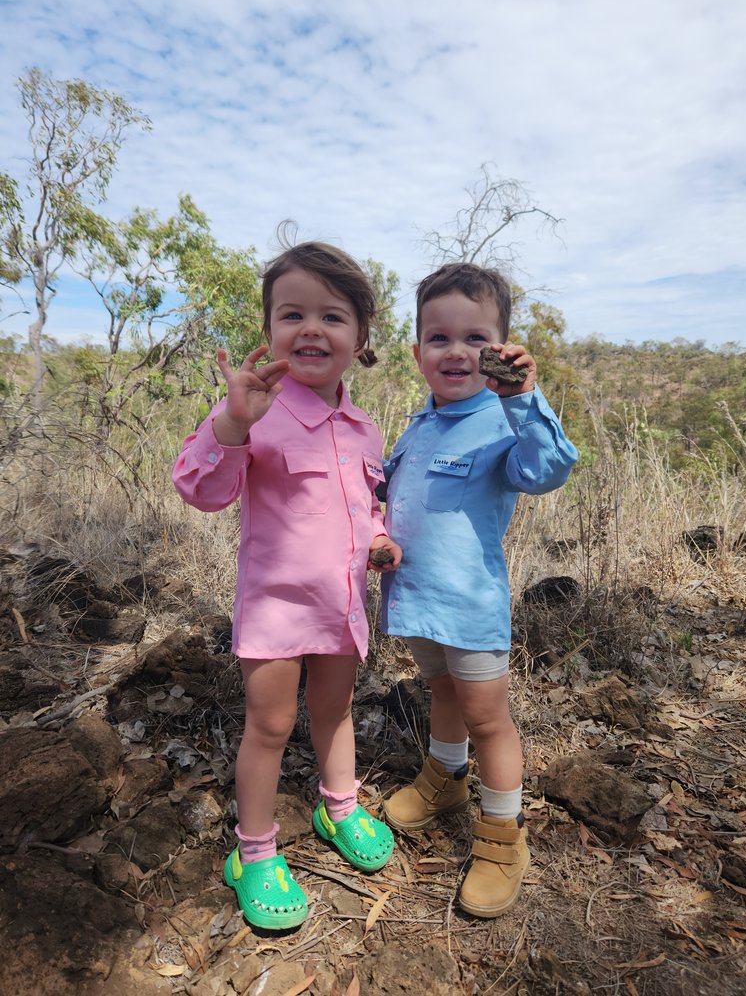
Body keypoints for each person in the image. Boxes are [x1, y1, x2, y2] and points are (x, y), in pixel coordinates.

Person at [173, 241, 401, 931]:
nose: (310, 328)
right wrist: (233, 423)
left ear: (360, 338)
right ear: (268, 330)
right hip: (275, 609)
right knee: (270, 725)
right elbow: (200, 488)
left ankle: (339, 808)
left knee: (335, 712)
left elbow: (369, 506)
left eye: (331, 316)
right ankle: (256, 852)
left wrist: (380, 540)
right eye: (291, 313)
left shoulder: (364, 428)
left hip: (340, 608)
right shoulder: (254, 411)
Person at [379, 262, 578, 918]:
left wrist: (524, 396)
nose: (455, 351)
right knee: (440, 693)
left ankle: (501, 838)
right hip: (415, 598)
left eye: (475, 339)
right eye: (438, 338)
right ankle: (446, 776)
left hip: (471, 604)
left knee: (489, 718)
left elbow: (548, 469)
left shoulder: (502, 420)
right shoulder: (417, 425)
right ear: (416, 353)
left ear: (500, 349)